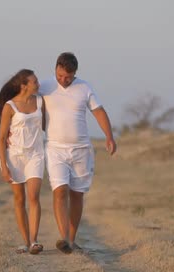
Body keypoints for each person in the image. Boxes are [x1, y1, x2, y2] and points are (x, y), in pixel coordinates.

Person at [39, 52, 117, 254]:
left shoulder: (84, 87)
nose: (63, 80)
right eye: (60, 76)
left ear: (75, 73)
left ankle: (71, 240)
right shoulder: (44, 86)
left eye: (68, 77)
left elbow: (98, 111)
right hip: (55, 148)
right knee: (60, 190)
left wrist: (109, 136)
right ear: (55, 68)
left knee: (77, 194)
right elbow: (25, 106)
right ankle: (64, 237)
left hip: (82, 150)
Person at [0, 69, 46, 255]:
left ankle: (34, 241)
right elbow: (1, 138)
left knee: (34, 197)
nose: (38, 84)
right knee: (19, 199)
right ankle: (25, 242)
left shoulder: (40, 101)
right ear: (24, 85)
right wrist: (4, 166)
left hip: (35, 154)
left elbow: (48, 124)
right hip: (14, 156)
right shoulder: (10, 106)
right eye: (35, 82)